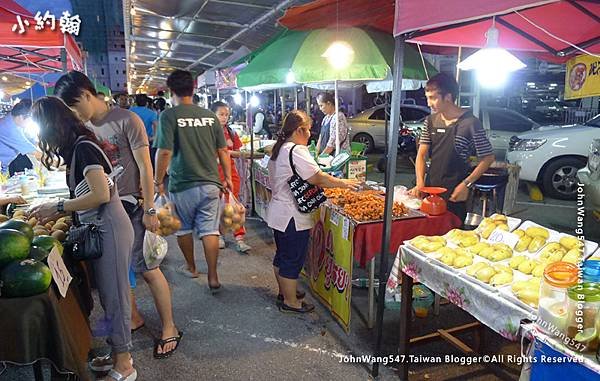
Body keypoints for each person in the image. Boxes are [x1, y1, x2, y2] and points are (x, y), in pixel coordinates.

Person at [54, 71, 181, 359]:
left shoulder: (126, 120)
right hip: (102, 214)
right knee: (119, 275)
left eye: (74, 107)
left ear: (87, 95)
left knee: (148, 268)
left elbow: (145, 167)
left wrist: (149, 207)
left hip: (132, 206)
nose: (74, 115)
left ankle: (169, 327)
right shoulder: (82, 126)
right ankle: (133, 319)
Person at [29, 97, 137, 381]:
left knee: (116, 297)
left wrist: (60, 206)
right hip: (101, 226)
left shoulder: (84, 148)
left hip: (108, 227)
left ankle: (125, 363)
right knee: (109, 294)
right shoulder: (79, 148)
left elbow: (101, 194)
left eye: (40, 128)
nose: (40, 136)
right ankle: (117, 352)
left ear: (53, 125)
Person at [266, 110, 359, 313]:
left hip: (278, 212)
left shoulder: (279, 148)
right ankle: (290, 302)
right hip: (292, 215)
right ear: (299, 130)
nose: (310, 134)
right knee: (292, 258)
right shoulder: (296, 150)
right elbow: (317, 177)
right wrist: (343, 183)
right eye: (308, 130)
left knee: (282, 255)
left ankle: (285, 292)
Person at [154, 69, 233, 290]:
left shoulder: (169, 115)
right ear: (193, 89)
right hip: (210, 182)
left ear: (171, 91)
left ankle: (191, 267)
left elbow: (165, 152)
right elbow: (223, 150)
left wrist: (158, 180)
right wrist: (227, 177)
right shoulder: (209, 116)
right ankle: (213, 276)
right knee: (210, 230)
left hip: (183, 185)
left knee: (184, 228)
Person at [410, 73, 495, 222]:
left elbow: (487, 158)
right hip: (430, 191)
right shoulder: (430, 121)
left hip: (455, 193)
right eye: (427, 98)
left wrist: (466, 185)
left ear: (448, 97)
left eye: (433, 98)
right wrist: (420, 183)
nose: (429, 103)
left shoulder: (470, 123)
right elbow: (422, 155)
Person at [211, 101, 251, 253]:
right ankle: (219, 235)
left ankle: (239, 238)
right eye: (221, 114)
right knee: (217, 206)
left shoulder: (231, 132)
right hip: (213, 174)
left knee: (233, 205)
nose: (224, 117)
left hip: (231, 174)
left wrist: (234, 153)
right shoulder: (207, 132)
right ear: (213, 115)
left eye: (226, 114)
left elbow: (238, 150)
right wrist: (229, 153)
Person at [0, 99, 41, 174]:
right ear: (21, 117)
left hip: (7, 166)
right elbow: (35, 152)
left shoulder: (12, 120)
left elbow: (32, 141)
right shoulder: (9, 128)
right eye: (30, 120)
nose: (30, 122)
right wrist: (56, 163)